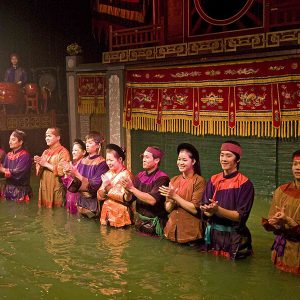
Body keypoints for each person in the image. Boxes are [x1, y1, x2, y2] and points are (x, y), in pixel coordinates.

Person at [200, 141, 254, 259]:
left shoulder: (245, 184)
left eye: (228, 156)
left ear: (238, 159)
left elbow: (240, 216)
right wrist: (208, 210)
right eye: (222, 155)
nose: (223, 159)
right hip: (213, 235)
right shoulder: (213, 180)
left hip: (235, 237)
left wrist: (217, 209)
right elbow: (205, 210)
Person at [262, 150, 300, 275]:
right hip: (281, 253)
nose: (298, 168)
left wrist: (289, 220)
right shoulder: (281, 191)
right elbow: (274, 223)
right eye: (295, 164)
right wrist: (274, 223)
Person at [159, 143, 205, 244]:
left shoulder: (199, 181)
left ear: (193, 161)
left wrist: (175, 196)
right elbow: (168, 209)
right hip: (171, 232)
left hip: (190, 236)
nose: (180, 162)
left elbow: (195, 209)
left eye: (184, 160)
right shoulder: (174, 179)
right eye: (179, 159)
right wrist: (171, 200)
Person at [121, 146, 169, 237]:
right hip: (139, 222)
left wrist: (131, 188)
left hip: (154, 225)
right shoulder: (140, 175)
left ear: (156, 160)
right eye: (143, 157)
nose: (143, 159)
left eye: (147, 157)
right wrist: (127, 191)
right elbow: (129, 200)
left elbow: (152, 200)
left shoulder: (162, 178)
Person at [66, 131, 108, 218]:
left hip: (93, 203)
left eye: (90, 142)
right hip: (81, 201)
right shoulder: (83, 160)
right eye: (86, 142)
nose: (87, 145)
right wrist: (70, 174)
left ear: (98, 145)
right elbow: (77, 181)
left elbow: (96, 184)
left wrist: (77, 174)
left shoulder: (102, 163)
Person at [98, 144, 134, 228]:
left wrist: (107, 187)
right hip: (106, 212)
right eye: (107, 160)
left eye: (111, 160)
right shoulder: (108, 174)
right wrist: (104, 187)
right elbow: (99, 196)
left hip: (120, 214)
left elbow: (124, 198)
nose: (108, 163)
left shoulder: (126, 175)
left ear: (120, 159)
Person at [34, 127, 70, 208]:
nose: (47, 138)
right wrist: (39, 163)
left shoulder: (63, 152)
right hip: (44, 188)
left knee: (57, 213)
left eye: (49, 136)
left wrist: (45, 164)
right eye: (46, 136)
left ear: (58, 137)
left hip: (56, 188)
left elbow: (62, 171)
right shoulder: (45, 152)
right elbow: (38, 172)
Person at [0, 130, 32, 202]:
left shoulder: (25, 155)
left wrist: (3, 169)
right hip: (8, 190)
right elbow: (2, 172)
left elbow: (19, 173)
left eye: (13, 139)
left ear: (20, 142)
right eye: (10, 139)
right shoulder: (8, 155)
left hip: (20, 192)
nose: (10, 142)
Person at [62, 139, 87, 214]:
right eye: (73, 150)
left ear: (84, 152)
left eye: (76, 150)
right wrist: (66, 174)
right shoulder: (72, 164)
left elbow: (84, 184)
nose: (73, 152)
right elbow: (67, 185)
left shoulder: (85, 166)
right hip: (70, 198)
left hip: (79, 199)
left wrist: (73, 174)